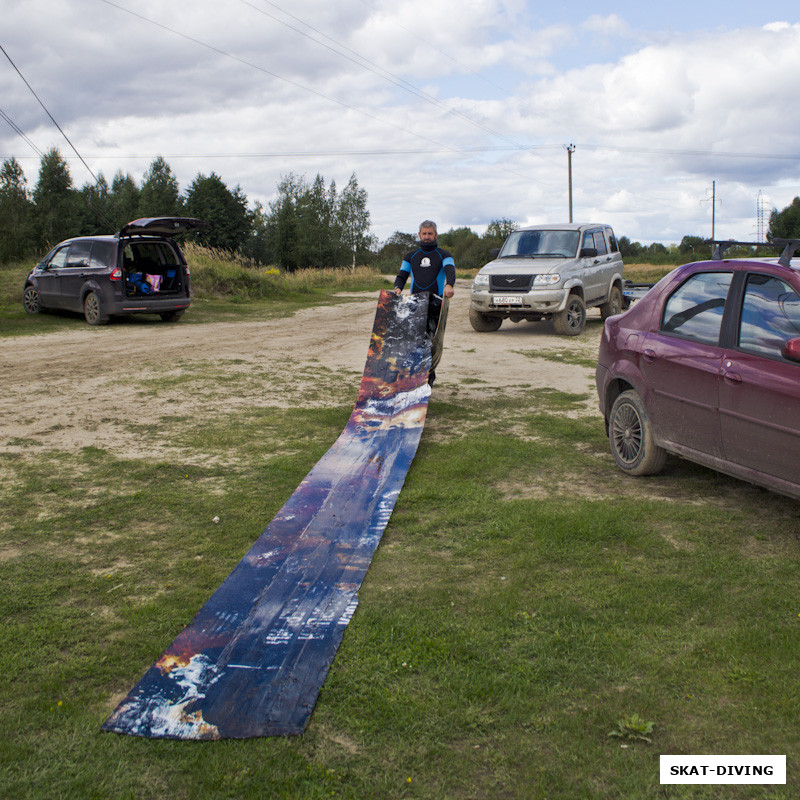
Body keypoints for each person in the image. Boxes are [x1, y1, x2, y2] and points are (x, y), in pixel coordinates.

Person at [392, 220, 455, 386]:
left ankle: (428, 381)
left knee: (430, 344)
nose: (427, 237)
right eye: (424, 233)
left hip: (435, 306)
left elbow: (450, 271)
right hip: (414, 305)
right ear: (419, 235)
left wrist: (449, 285)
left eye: (430, 233)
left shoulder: (444, 255)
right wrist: (398, 287)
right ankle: (412, 379)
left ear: (435, 235)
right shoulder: (411, 256)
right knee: (412, 343)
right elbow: (402, 275)